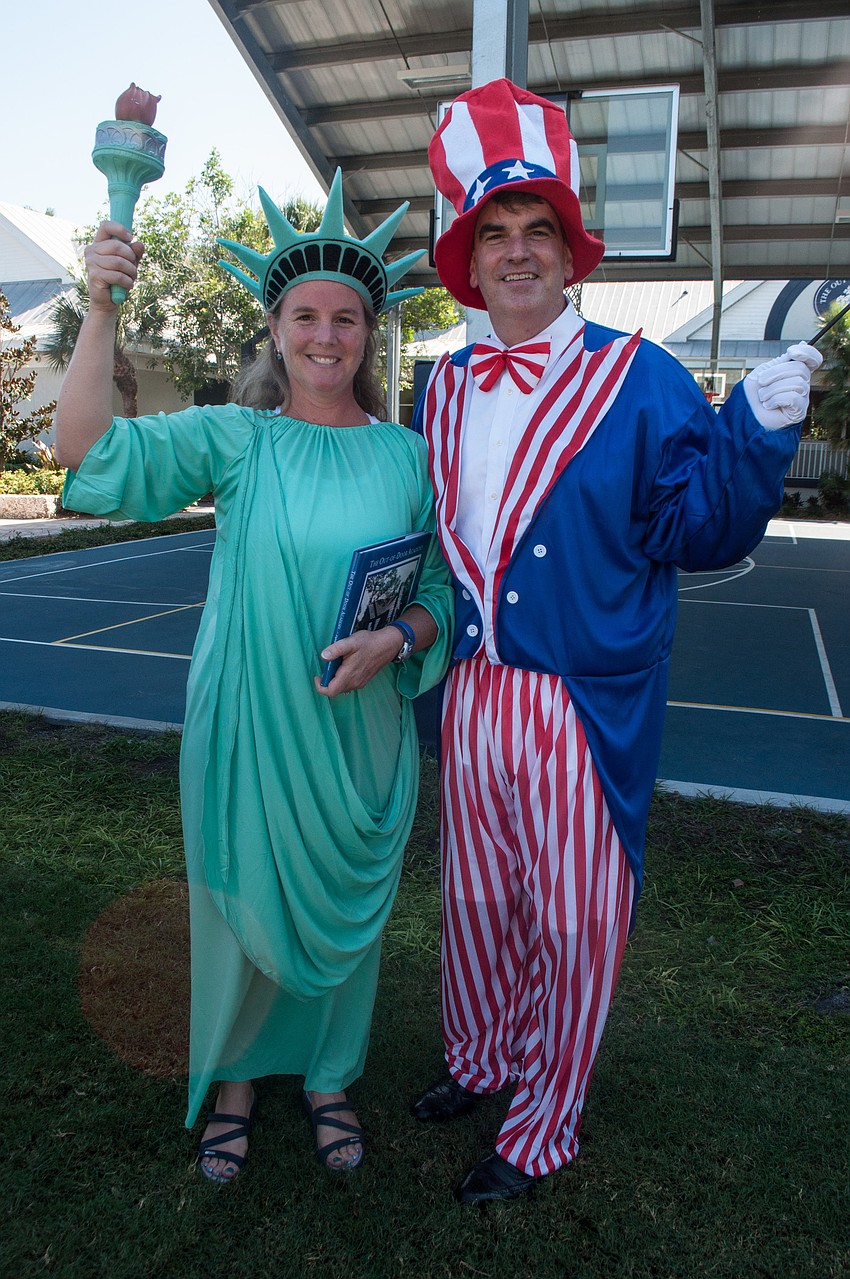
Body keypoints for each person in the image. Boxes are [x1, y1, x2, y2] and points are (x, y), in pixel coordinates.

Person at [410, 78, 822, 1204]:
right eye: (493, 234)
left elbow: (700, 529)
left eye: (537, 230)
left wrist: (752, 435)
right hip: (473, 689)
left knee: (576, 918)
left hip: (581, 701)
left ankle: (542, 1122)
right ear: (468, 257)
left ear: (570, 250)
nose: (517, 253)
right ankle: (482, 1058)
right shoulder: (436, 387)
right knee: (477, 899)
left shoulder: (637, 378)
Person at [55, 170, 453, 1183]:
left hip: (357, 730)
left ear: (370, 334)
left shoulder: (409, 457)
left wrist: (398, 640)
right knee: (238, 903)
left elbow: (442, 596)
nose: (327, 336)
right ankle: (235, 1076)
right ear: (274, 331)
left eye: (347, 319)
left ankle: (327, 1073)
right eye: (306, 316)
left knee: (341, 919)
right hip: (248, 721)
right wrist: (101, 305)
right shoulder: (239, 440)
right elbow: (86, 453)